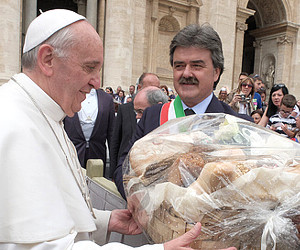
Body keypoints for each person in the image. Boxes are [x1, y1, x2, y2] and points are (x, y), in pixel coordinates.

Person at [0, 9, 230, 250]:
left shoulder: (43, 114)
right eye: (89, 67)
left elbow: (52, 215)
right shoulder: (13, 124)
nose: (97, 82)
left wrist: (104, 220)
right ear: (48, 60)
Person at [114, 23, 253, 198]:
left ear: (216, 73)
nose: (186, 73)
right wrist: (140, 199)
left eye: (196, 66)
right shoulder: (152, 116)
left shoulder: (238, 124)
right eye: (179, 65)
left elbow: (248, 187)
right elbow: (123, 168)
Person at [109, 73, 161, 178]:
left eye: (157, 88)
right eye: (150, 87)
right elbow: (115, 142)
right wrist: (113, 174)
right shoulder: (124, 110)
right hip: (124, 172)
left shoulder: (163, 114)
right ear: (140, 88)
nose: (154, 92)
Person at [64, 87, 115, 173]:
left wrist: (113, 169)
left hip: (97, 155)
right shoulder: (67, 94)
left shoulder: (107, 99)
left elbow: (111, 133)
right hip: (72, 156)